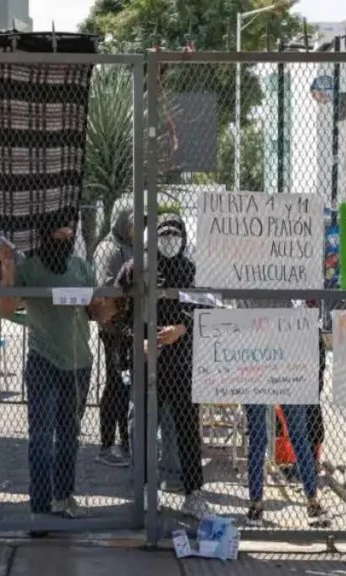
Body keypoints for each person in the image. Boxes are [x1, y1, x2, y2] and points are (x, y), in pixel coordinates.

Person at [0, 211, 117, 525]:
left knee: (69, 436)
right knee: (40, 437)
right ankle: (39, 505)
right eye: (58, 236)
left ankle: (63, 496)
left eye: (69, 236)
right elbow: (8, 309)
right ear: (44, 235)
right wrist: (7, 270)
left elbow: (99, 313)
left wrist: (117, 295)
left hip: (78, 363)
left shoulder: (81, 267)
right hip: (43, 361)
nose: (64, 241)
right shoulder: (31, 267)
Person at [116, 212, 207, 519]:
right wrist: (138, 341)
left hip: (180, 364)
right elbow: (117, 317)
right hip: (145, 364)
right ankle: (142, 490)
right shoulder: (135, 271)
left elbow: (202, 314)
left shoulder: (190, 271)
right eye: (164, 235)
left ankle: (193, 492)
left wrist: (181, 328)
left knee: (186, 431)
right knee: (141, 427)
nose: (170, 241)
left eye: (175, 235)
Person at [235, 299, 325, 527]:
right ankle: (259, 502)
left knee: (292, 436)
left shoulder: (282, 293)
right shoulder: (256, 290)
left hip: (282, 368)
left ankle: (309, 500)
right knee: (263, 437)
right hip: (260, 367)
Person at [93, 198, 135, 467]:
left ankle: (126, 441)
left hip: (129, 327)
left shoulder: (129, 247)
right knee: (116, 384)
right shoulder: (108, 250)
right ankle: (108, 444)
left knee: (125, 384)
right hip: (114, 328)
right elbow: (107, 289)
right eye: (132, 223)